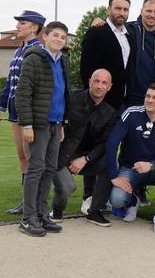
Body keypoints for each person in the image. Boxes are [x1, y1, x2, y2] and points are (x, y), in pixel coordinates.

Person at [16, 21, 71, 236]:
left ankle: (40, 213)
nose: (59, 39)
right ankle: (28, 218)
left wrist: (63, 122)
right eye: (55, 35)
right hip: (38, 124)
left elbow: (64, 95)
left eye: (63, 37)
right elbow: (23, 94)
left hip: (56, 124)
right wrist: (27, 125)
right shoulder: (34, 59)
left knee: (49, 169)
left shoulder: (63, 61)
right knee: (35, 169)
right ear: (45, 36)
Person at [105, 83, 155, 233]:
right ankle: (133, 200)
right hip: (131, 168)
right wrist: (113, 176)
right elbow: (112, 143)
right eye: (148, 96)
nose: (150, 100)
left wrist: (151, 165)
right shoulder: (131, 113)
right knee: (117, 200)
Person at [0, 10, 46, 215]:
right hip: (15, 110)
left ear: (34, 27)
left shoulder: (39, 50)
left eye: (22, 23)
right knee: (21, 155)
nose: (17, 27)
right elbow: (10, 83)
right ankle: (25, 200)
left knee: (32, 158)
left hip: (29, 112)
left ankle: (33, 203)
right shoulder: (18, 51)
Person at [49, 69, 116, 226]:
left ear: (109, 87)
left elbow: (104, 143)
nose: (99, 86)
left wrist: (86, 159)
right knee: (68, 187)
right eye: (96, 81)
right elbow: (54, 118)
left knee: (109, 163)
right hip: (60, 154)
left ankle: (94, 212)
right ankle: (56, 211)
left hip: (84, 158)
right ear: (89, 82)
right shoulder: (71, 99)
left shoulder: (110, 113)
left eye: (104, 82)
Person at [80, 0, 135, 110]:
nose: (122, 13)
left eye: (125, 10)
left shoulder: (129, 36)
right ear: (109, 9)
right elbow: (86, 70)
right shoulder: (96, 32)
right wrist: (93, 101)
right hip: (100, 104)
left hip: (122, 103)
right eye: (118, 8)